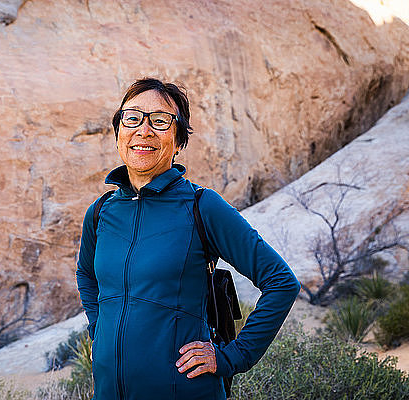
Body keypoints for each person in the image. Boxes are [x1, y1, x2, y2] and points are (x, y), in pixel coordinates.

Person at [75, 78, 300, 400]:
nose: (144, 130)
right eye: (133, 118)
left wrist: (233, 357)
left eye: (161, 121)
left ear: (179, 141)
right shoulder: (100, 212)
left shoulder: (201, 205)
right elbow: (86, 274)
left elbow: (281, 282)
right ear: (118, 132)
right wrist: (99, 330)